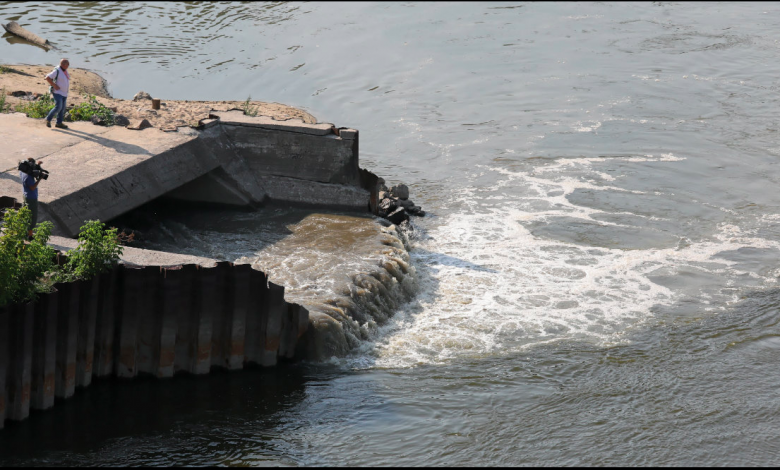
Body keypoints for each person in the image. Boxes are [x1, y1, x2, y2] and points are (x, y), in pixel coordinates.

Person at [20, 158, 43, 241]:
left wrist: (38, 165)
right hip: (31, 198)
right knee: (32, 217)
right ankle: (30, 236)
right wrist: (40, 178)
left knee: (26, 214)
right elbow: (32, 187)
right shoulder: (28, 176)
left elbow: (32, 172)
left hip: (26, 195)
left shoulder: (22, 171)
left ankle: (24, 232)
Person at [44, 59, 70, 129]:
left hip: (64, 93)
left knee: (62, 109)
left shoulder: (65, 71)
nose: (68, 66)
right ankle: (48, 119)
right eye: (67, 64)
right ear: (63, 64)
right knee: (58, 107)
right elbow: (47, 77)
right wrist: (54, 85)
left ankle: (59, 123)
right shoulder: (57, 70)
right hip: (58, 92)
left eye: (68, 64)